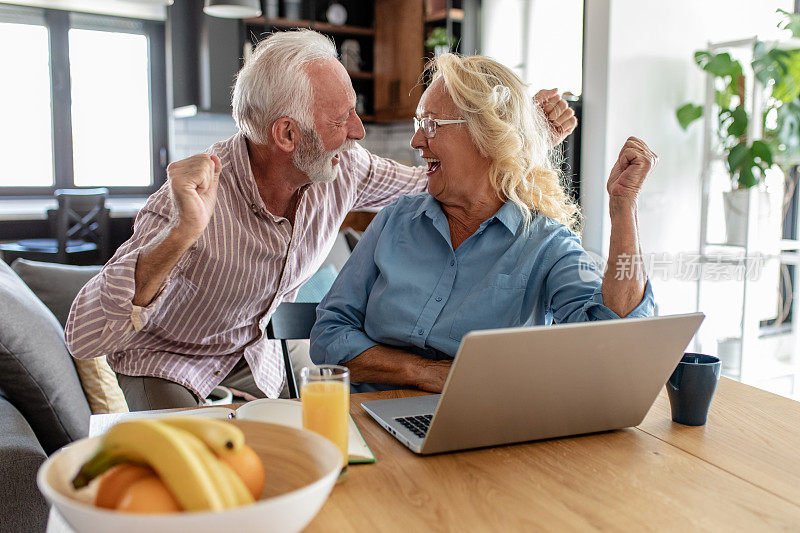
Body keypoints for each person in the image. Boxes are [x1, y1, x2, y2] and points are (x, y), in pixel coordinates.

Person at [64, 30, 579, 410]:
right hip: (170, 365)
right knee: (204, 488)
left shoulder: (343, 169)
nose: (358, 131)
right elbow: (82, 337)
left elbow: (450, 180)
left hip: (259, 366)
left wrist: (518, 138)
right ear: (287, 136)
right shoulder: (194, 201)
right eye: (341, 120)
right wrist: (180, 236)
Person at [309, 53, 656, 393]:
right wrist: (426, 372)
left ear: (487, 137)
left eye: (430, 125)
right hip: (364, 421)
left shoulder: (547, 244)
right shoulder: (395, 220)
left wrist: (623, 208)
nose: (416, 142)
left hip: (477, 428)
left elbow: (613, 339)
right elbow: (329, 334)